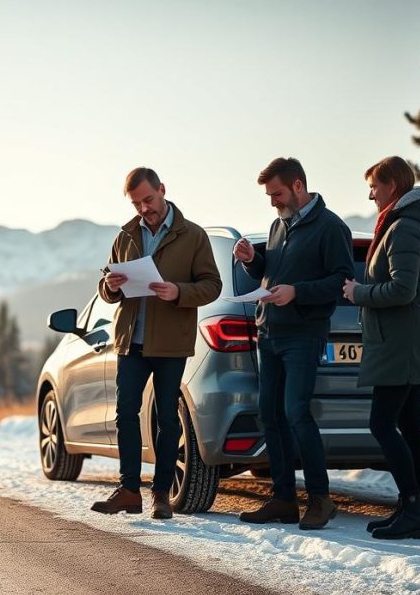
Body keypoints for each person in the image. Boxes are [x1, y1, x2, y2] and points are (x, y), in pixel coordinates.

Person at [91, 167, 222, 519]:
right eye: (136, 203)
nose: (143, 209)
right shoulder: (126, 235)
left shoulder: (192, 235)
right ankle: (129, 490)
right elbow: (105, 288)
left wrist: (179, 291)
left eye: (148, 200)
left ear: (162, 190)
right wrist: (112, 287)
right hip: (130, 340)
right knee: (125, 415)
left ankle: (161, 494)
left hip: (170, 342)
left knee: (167, 416)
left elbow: (212, 285)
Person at [233, 157, 353, 529]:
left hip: (303, 334)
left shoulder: (331, 227)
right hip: (269, 333)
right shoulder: (278, 225)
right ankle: (283, 499)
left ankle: (319, 499)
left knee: (297, 413)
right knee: (271, 415)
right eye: (270, 195)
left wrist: (297, 293)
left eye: (277, 193)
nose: (272, 201)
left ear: (298, 186)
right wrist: (255, 261)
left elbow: (341, 281)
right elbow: (274, 271)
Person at [343, 156, 420, 540]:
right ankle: (415, 509)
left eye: (374, 185)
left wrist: (359, 292)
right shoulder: (418, 225)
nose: (370, 193)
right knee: (409, 424)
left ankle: (413, 507)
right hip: (409, 341)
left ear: (392, 185)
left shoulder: (403, 228)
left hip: (400, 343)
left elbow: (402, 290)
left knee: (382, 423)